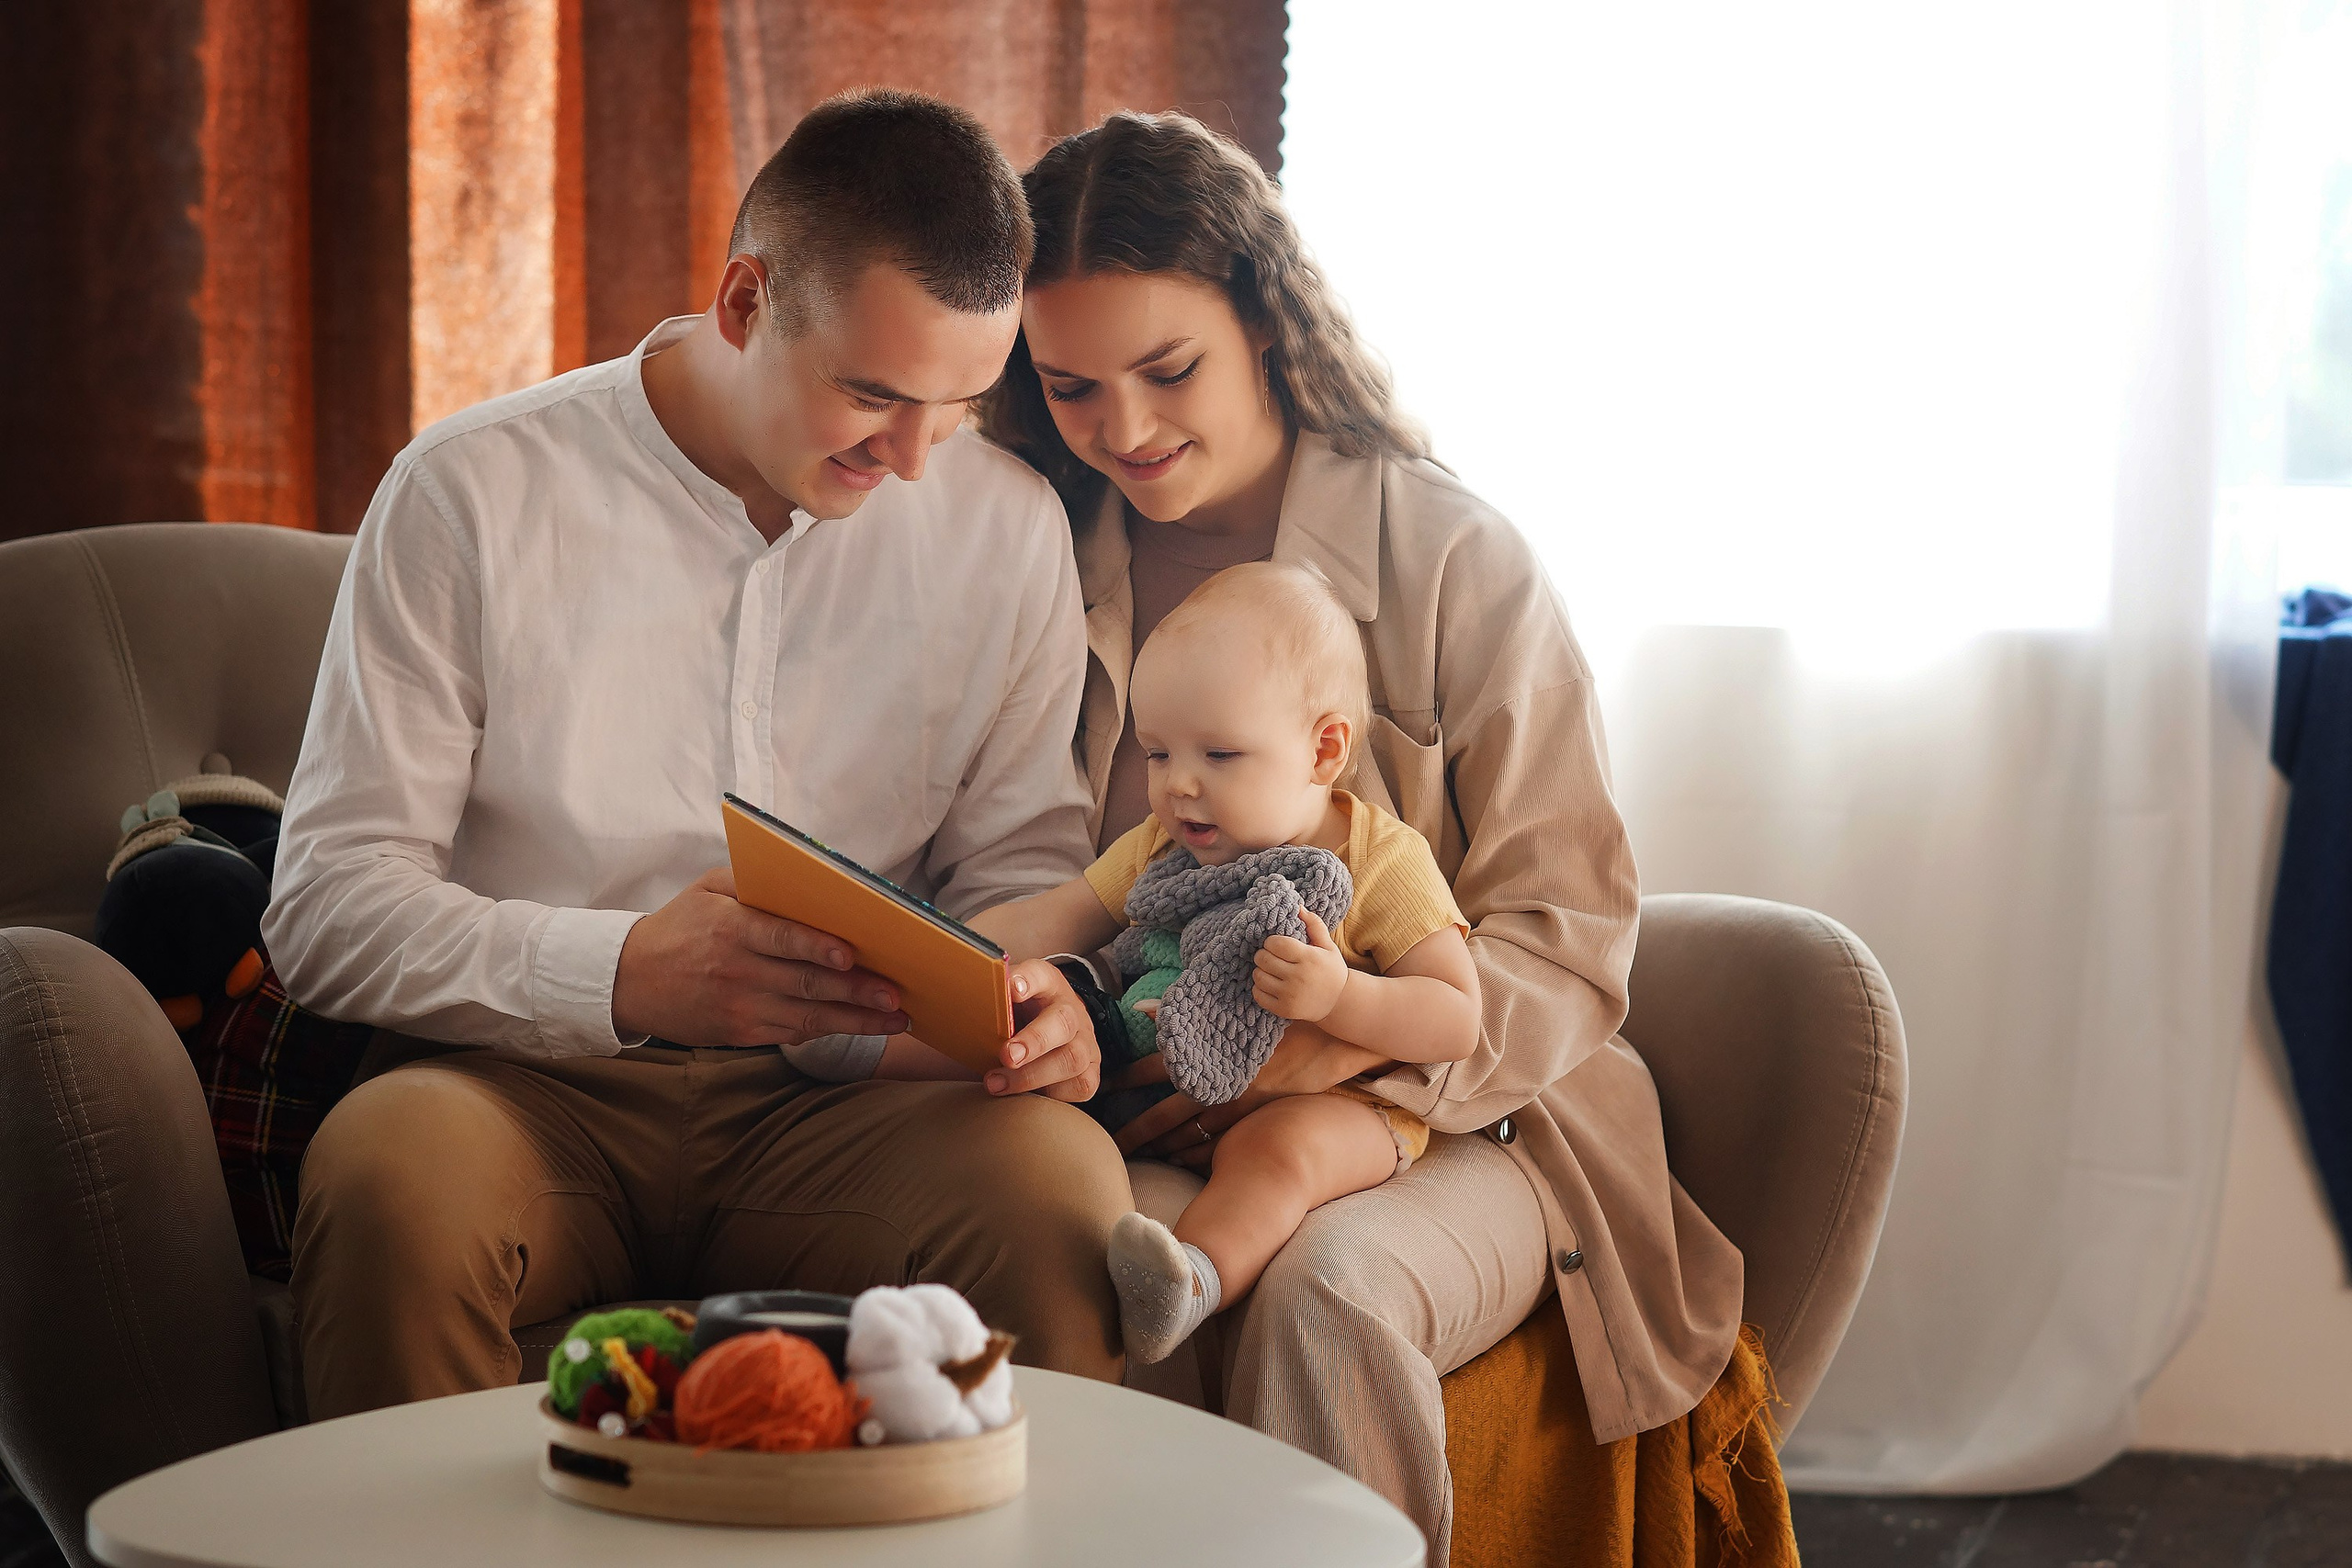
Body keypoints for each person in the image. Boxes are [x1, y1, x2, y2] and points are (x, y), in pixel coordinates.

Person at [980, 111, 1785, 1564]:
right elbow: (1057, 888)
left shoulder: (1458, 560)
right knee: (1068, 1268)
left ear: (1265, 320)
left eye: (1170, 369)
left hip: (1467, 1116)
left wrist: (1331, 1044)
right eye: (1071, 385)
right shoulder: (1031, 551)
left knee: (1325, 1293)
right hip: (1143, 1103)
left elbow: (1567, 944)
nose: (1126, 427)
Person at [264, 90, 1126, 1422]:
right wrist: (623, 971)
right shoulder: (468, 491)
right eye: (872, 395)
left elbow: (1021, 873)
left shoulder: (1005, 530)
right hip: (522, 1086)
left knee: (1060, 1196)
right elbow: (325, 908)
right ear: (743, 301)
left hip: (844, 1110)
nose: (911, 460)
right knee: (391, 1177)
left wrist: (1043, 995)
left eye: (956, 404)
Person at [967, 561, 1480, 1363]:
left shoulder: (1380, 858)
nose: (1179, 785)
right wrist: (945, 943)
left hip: (1340, 1106)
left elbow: (1457, 1017)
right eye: (1158, 753)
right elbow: (1055, 915)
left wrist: (1339, 997)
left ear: (1324, 749)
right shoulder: (1162, 846)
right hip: (1162, 1078)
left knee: (1276, 1152)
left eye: (1219, 752)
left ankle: (1190, 1282)